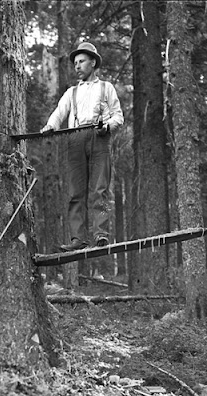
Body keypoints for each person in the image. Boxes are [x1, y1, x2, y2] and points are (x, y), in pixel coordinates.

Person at [41, 42, 124, 251]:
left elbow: (118, 116)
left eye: (82, 61)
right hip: (75, 138)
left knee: (100, 189)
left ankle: (101, 235)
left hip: (100, 138)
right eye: (75, 63)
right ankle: (77, 239)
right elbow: (60, 112)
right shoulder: (72, 92)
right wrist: (51, 126)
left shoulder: (106, 88)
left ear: (93, 62)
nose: (77, 66)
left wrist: (107, 127)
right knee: (75, 191)